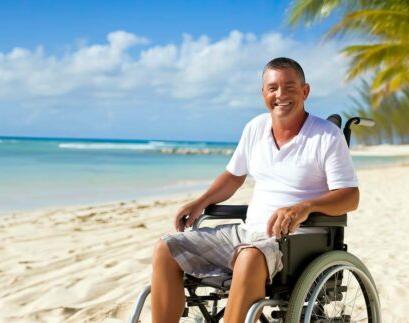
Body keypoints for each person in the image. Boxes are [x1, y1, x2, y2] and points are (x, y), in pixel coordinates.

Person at [151, 57, 359, 323]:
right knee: (167, 247)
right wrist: (201, 202)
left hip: (295, 242)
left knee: (249, 256)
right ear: (263, 94)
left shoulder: (327, 135)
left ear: (305, 91)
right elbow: (233, 176)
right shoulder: (256, 127)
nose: (280, 95)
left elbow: (350, 196)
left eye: (289, 87)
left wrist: (305, 207)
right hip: (248, 233)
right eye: (272, 88)